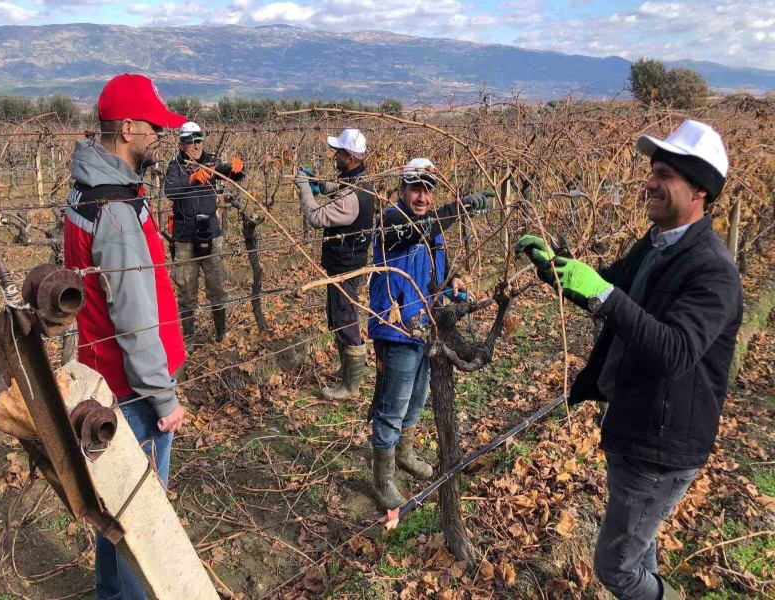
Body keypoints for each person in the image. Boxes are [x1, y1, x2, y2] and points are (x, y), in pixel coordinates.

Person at [515, 120, 742, 600]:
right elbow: (607, 286)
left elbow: (675, 351)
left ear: (700, 190)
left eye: (664, 174)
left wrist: (602, 293)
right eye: (652, 171)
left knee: (616, 570)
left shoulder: (712, 270)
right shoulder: (658, 243)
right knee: (640, 548)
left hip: (660, 446)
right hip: (636, 426)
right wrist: (555, 267)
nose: (649, 182)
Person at [63, 73, 188, 600]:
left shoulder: (89, 192)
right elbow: (134, 317)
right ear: (128, 128)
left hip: (105, 378)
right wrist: (163, 396)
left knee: (114, 512)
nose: (160, 135)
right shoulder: (114, 210)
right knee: (140, 520)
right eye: (154, 126)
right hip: (132, 390)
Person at [367, 158, 490, 510]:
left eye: (427, 190)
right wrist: (460, 207)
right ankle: (382, 478)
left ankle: (404, 453)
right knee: (393, 404)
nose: (421, 196)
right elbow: (415, 230)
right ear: (402, 189)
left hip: (427, 325)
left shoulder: (433, 226)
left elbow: (439, 259)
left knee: (417, 398)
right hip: (397, 327)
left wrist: (452, 280)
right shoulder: (390, 220)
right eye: (415, 188)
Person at [293, 128, 375, 400]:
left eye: (338, 152)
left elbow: (316, 216)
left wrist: (305, 188)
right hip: (345, 260)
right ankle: (346, 369)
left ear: (349, 157)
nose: (334, 156)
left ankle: (350, 387)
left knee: (346, 318)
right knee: (338, 316)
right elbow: (341, 188)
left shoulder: (352, 198)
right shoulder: (361, 180)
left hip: (345, 265)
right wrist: (321, 184)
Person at [164, 121, 244, 353]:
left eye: (199, 140)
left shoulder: (211, 161)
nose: (196, 145)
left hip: (211, 233)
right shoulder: (174, 167)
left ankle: (221, 333)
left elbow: (228, 173)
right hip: (184, 236)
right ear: (182, 143)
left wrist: (237, 169)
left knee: (217, 285)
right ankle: (189, 337)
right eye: (191, 141)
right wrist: (190, 180)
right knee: (186, 289)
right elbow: (169, 191)